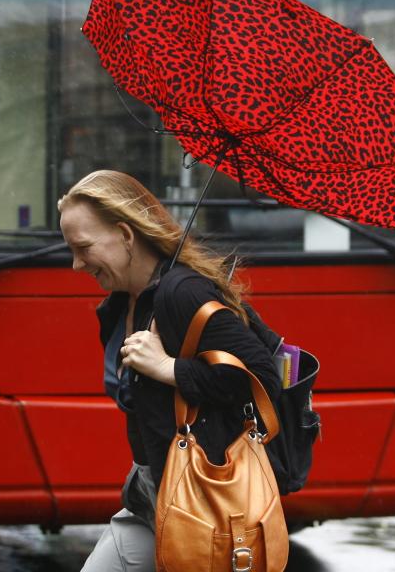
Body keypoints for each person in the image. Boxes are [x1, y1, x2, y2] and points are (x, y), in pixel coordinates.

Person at [58, 170, 282, 572]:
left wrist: (170, 368)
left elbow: (262, 376)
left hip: (201, 503)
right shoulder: (120, 305)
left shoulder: (182, 292)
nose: (76, 265)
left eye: (83, 248)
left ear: (125, 235)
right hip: (152, 496)